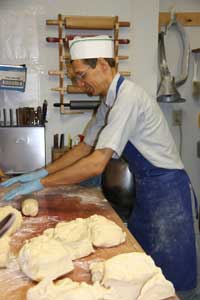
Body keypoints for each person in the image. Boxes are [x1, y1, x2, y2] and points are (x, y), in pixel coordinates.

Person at [0, 35, 199, 298]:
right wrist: (41, 171)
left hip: (167, 191)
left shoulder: (128, 98)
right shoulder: (108, 102)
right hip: (147, 189)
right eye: (77, 78)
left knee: (171, 276)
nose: (81, 84)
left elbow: (96, 163)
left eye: (83, 75)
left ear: (103, 64)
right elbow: (84, 148)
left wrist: (41, 184)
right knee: (139, 265)